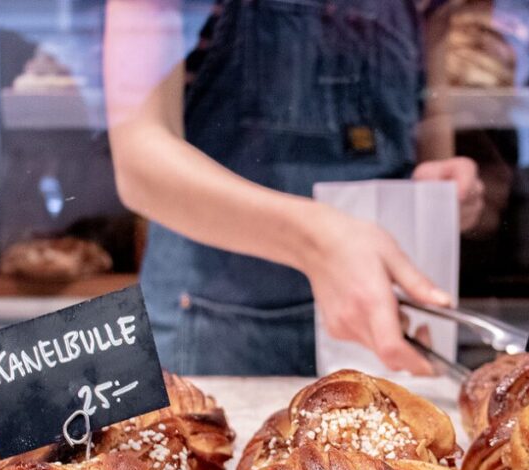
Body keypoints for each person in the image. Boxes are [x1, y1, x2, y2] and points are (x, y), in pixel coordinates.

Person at [103, 0, 485, 377]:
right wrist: (315, 242)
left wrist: (440, 194)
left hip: (382, 320)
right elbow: (139, 164)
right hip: (214, 324)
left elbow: (431, 121)